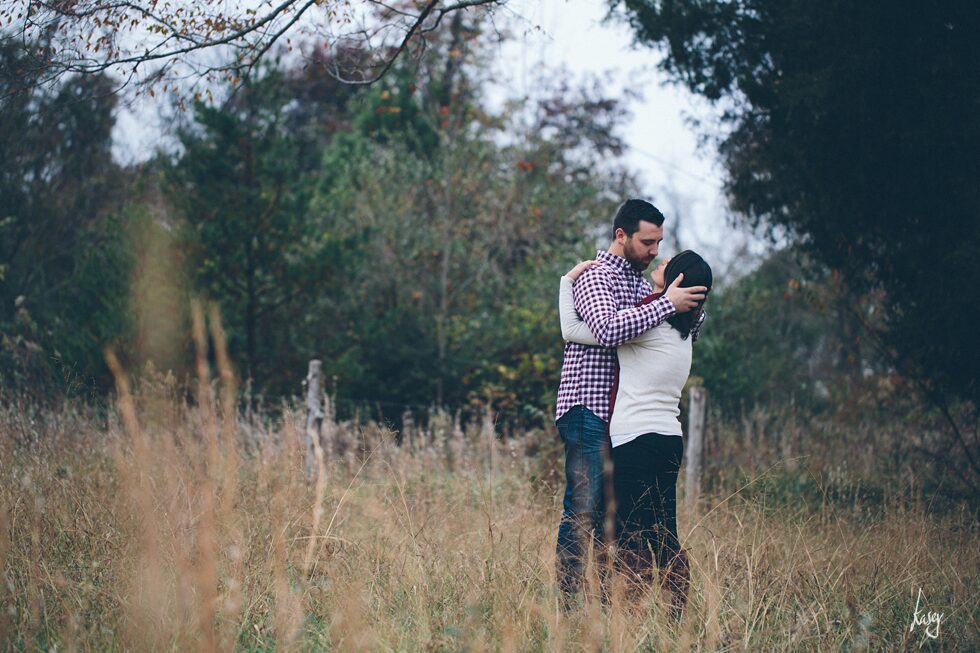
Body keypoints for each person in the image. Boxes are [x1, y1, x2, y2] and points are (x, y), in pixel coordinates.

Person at [552, 199, 706, 609]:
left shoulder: (642, 286)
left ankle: (606, 604)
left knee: (614, 517)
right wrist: (666, 303)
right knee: (583, 505)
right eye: (647, 241)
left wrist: (680, 297)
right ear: (621, 235)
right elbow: (605, 328)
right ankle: (567, 605)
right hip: (587, 406)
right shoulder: (595, 277)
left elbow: (671, 324)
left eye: (659, 242)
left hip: (624, 420)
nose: (655, 250)